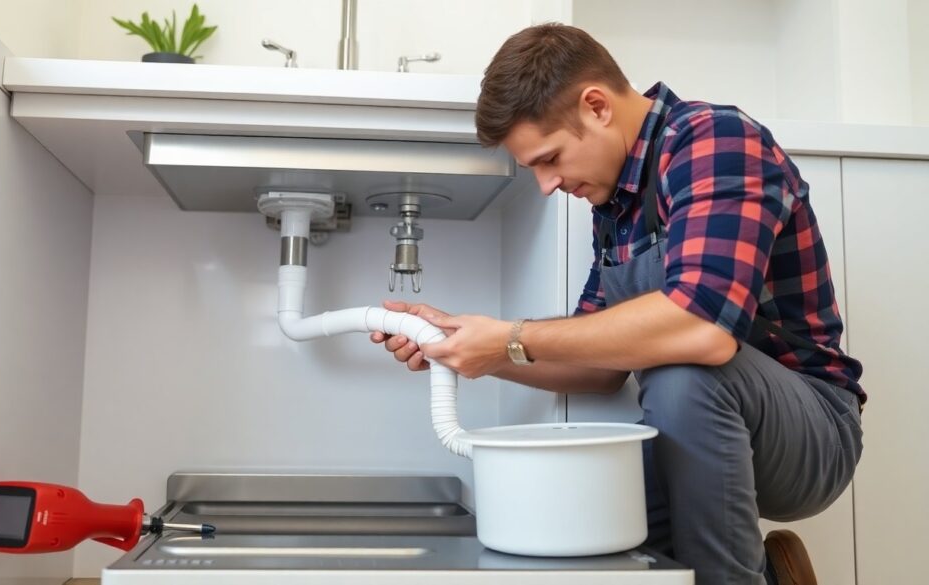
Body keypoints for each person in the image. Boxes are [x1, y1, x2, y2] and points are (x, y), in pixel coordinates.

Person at [370, 23, 864, 585]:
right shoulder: (615, 204)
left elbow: (702, 328)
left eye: (549, 158)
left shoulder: (715, 141)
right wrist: (467, 351)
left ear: (597, 106)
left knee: (686, 371)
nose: (546, 184)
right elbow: (599, 366)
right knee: (595, 509)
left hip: (812, 431)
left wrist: (511, 336)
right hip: (705, 424)